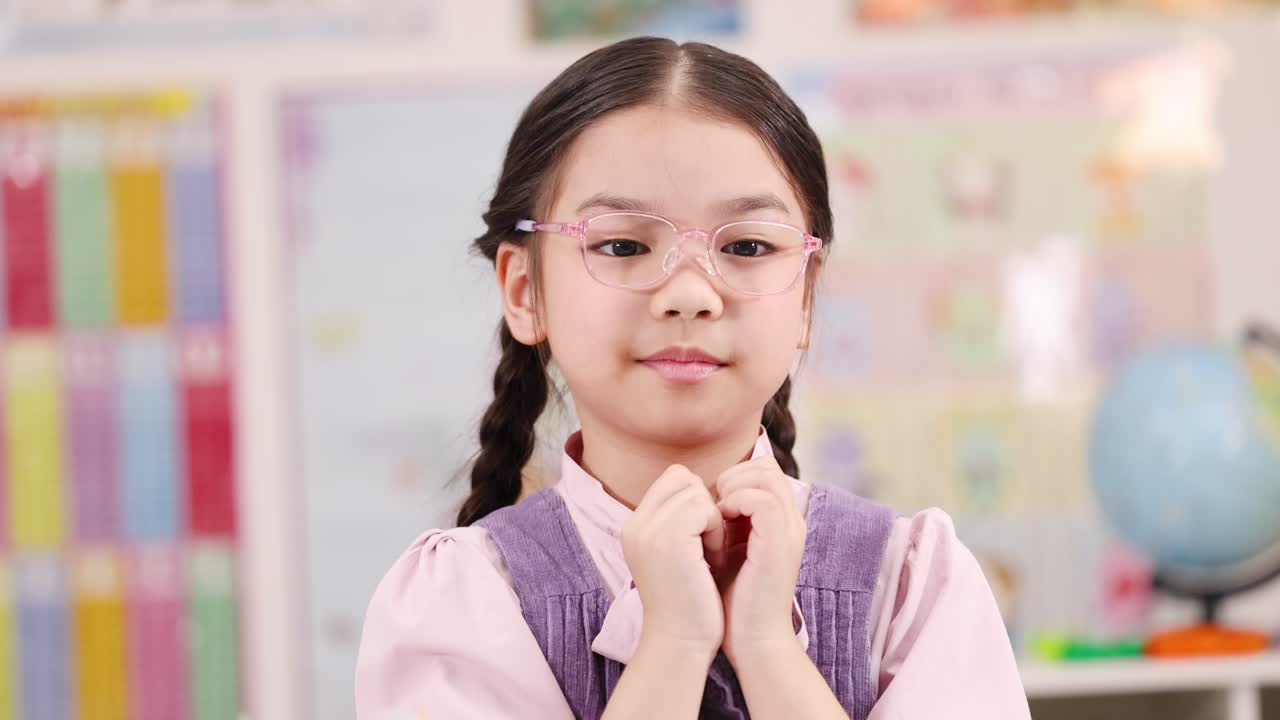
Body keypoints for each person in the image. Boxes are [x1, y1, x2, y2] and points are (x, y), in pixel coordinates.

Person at [355, 36, 1030, 719]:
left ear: (805, 296)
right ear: (525, 290)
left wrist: (767, 645)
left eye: (746, 246)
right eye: (621, 244)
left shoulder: (911, 584)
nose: (689, 294)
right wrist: (673, 644)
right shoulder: (460, 601)